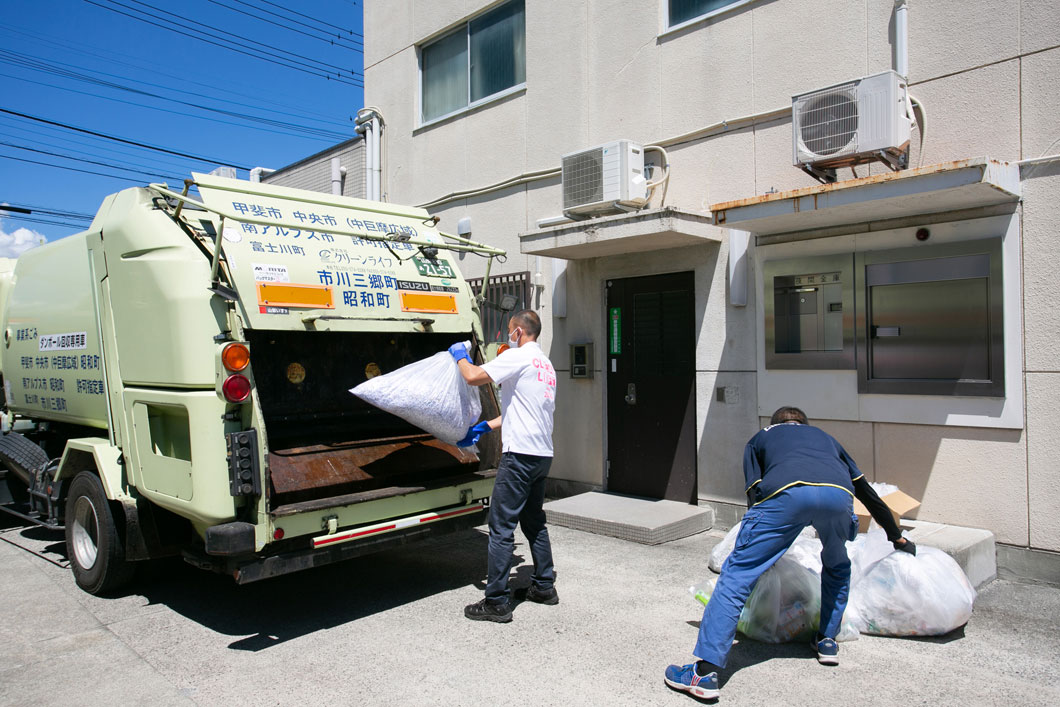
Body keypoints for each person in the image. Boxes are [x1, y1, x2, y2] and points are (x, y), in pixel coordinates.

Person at [665, 406, 916, 700]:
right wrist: (896, 537)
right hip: (838, 497)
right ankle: (826, 642)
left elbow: (755, 490)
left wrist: (758, 544)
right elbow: (866, 492)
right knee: (837, 565)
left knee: (737, 575)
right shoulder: (826, 438)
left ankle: (704, 673)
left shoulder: (761, 438)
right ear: (805, 424)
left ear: (776, 424)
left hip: (785, 495)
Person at [447, 309, 558, 623]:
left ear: (519, 332)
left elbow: (472, 376)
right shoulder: (546, 365)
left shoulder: (519, 357)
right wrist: (486, 425)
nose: (508, 336)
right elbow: (524, 409)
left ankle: (496, 601)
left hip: (519, 456)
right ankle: (544, 586)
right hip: (541, 454)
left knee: (501, 527)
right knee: (534, 521)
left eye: (510, 330)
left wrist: (459, 355)